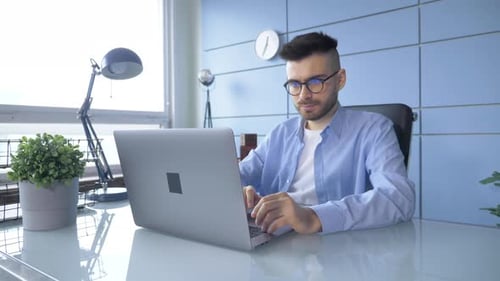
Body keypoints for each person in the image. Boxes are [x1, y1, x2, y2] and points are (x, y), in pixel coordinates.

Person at [239, 32, 415, 235]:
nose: (304, 95)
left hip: (339, 251)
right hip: (274, 242)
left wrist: (313, 217)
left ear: (340, 79)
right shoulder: (280, 134)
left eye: (316, 82)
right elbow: (236, 176)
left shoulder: (374, 129)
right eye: (295, 84)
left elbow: (398, 199)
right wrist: (241, 193)